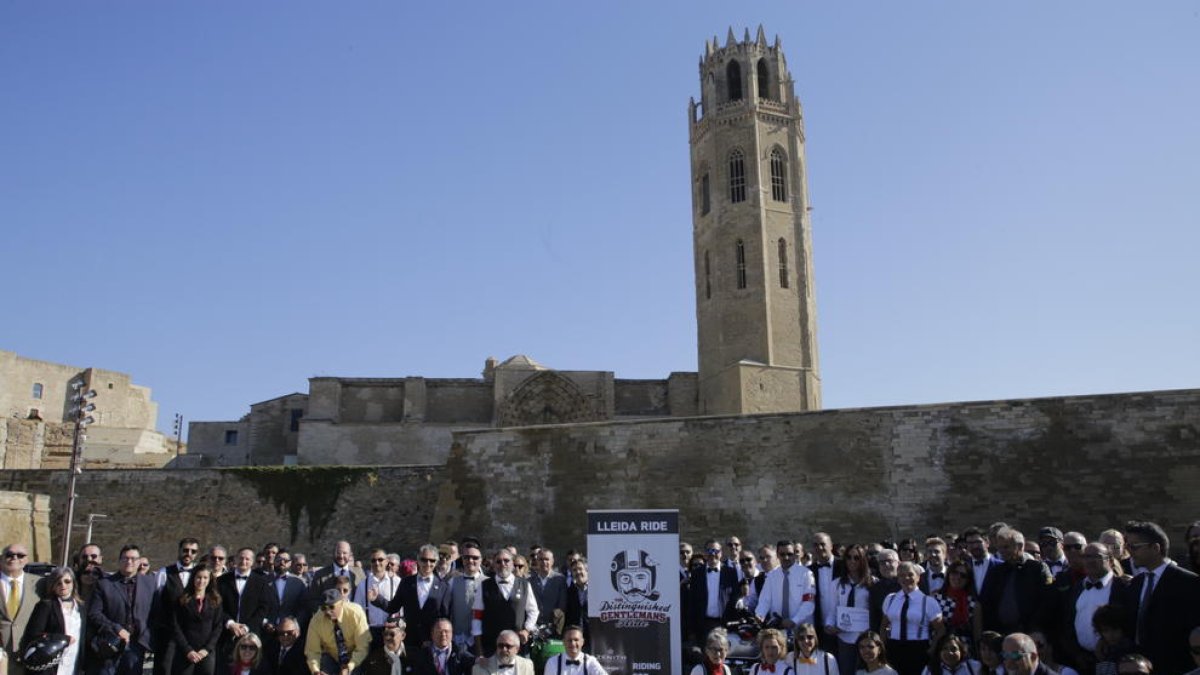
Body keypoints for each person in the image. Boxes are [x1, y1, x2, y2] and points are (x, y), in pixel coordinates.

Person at [1121, 520, 1200, 675]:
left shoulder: (1189, 582)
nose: (1129, 552)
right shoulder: (1135, 584)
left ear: (1155, 548)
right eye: (1127, 546)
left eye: (1134, 547)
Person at [88, 544, 159, 675]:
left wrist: (148, 638)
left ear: (139, 562)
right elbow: (94, 613)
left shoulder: (150, 583)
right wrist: (116, 628)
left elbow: (156, 613)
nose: (129, 562)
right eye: (125, 558)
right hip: (109, 643)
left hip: (136, 646)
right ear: (119, 561)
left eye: (133, 558)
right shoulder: (104, 584)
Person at [371, 545, 450, 652]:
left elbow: (444, 617)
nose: (428, 564)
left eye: (431, 560)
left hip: (432, 642)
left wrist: (435, 638)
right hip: (410, 640)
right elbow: (393, 607)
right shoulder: (406, 582)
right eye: (424, 560)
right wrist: (377, 599)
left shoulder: (443, 587)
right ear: (418, 560)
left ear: (436, 562)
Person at [980, 529, 1051, 635]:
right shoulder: (996, 571)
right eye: (999, 548)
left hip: (1030, 632)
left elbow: (1047, 600)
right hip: (1001, 632)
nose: (1002, 551)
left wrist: (1036, 627)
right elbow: (987, 602)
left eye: (1006, 547)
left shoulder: (1037, 569)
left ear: (1020, 546)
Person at [471, 551, 537, 658]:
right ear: (494, 565)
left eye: (506, 561)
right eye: (498, 561)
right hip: (491, 646)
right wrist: (479, 649)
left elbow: (533, 611)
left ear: (512, 563)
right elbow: (477, 617)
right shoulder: (484, 586)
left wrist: (527, 629)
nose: (502, 564)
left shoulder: (525, 585)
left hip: (517, 646)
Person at [880, 562, 943, 675]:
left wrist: (931, 649)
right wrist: (883, 647)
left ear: (918, 577)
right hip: (894, 647)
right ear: (898, 578)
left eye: (910, 574)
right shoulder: (890, 599)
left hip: (918, 649)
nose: (906, 578)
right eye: (902, 575)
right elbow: (883, 626)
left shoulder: (928, 601)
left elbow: (940, 630)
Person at [21, 567, 85, 675]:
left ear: (73, 583)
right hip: (51, 664)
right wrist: (62, 640)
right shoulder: (46, 605)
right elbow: (33, 634)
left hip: (74, 660)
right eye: (58, 583)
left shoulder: (80, 606)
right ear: (52, 586)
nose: (63, 585)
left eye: (67, 581)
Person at [156, 538, 202, 675]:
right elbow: (157, 602)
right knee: (165, 668)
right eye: (185, 550)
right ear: (179, 551)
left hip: (191, 633)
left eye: (193, 551)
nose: (188, 554)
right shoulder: (164, 573)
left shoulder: (200, 575)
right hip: (168, 632)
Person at [828, 544, 875, 675]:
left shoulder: (872, 583)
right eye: (849, 557)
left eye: (857, 558)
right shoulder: (836, 584)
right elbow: (832, 611)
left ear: (863, 560)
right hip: (844, 638)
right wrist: (829, 625)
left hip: (865, 638)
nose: (852, 561)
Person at [170, 564, 224, 675]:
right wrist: (187, 650)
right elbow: (176, 626)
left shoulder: (215, 600)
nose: (201, 581)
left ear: (210, 580)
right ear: (193, 578)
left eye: (205, 578)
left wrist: (207, 649)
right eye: (198, 577)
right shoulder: (182, 599)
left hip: (206, 653)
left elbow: (218, 626)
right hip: (185, 653)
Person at [305, 589, 371, 675]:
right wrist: (316, 671)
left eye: (332, 607)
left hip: (355, 655)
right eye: (324, 608)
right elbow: (312, 651)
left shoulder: (356, 613)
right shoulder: (316, 620)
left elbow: (363, 647)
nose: (328, 612)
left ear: (342, 603)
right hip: (332, 656)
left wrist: (349, 667)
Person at [757, 541, 816, 632]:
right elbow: (764, 600)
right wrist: (760, 614)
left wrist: (794, 620)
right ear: (777, 555)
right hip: (778, 628)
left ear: (794, 555)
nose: (786, 557)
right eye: (782, 554)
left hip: (802, 629)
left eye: (790, 554)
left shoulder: (806, 574)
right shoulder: (772, 576)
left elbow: (809, 603)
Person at [689, 540, 739, 644]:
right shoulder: (696, 573)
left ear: (721, 553)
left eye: (715, 551)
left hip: (724, 624)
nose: (712, 554)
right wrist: (692, 629)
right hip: (703, 624)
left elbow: (734, 597)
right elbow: (692, 601)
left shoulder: (730, 572)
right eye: (709, 551)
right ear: (705, 553)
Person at [1, 543, 38, 675]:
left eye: (20, 555)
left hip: (27, 654)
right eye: (9, 555)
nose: (14, 558)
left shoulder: (40, 584)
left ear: (27, 560)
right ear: (2, 558)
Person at [934, 561, 981, 653]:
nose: (958, 577)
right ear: (948, 574)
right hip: (939, 647)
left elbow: (977, 635)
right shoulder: (936, 598)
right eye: (955, 573)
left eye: (963, 575)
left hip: (964, 650)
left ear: (968, 580)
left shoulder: (974, 604)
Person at [308, 542, 365, 613]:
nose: (341, 556)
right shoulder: (320, 575)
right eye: (338, 553)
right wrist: (326, 611)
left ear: (350, 555)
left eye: (345, 553)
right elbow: (313, 600)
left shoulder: (359, 573)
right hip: (329, 619)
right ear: (333, 553)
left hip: (353, 618)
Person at [447, 547, 485, 652]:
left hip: (481, 640)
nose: (470, 560)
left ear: (481, 560)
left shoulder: (488, 582)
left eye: (475, 558)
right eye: (466, 557)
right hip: (456, 638)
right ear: (462, 560)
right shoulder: (452, 582)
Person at [541, 625, 606, 675]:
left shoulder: (590, 662)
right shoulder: (552, 662)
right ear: (563, 642)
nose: (573, 643)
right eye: (569, 640)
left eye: (576, 640)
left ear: (582, 642)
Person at [1090, 605, 1133, 675]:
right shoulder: (1102, 652)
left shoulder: (1129, 651)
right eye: (1106, 631)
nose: (1111, 635)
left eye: (1115, 629)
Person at [563, 558, 590, 646]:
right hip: (575, 638)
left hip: (594, 636)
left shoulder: (596, 589)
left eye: (580, 569)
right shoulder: (569, 592)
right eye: (574, 570)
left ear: (586, 570)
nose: (578, 572)